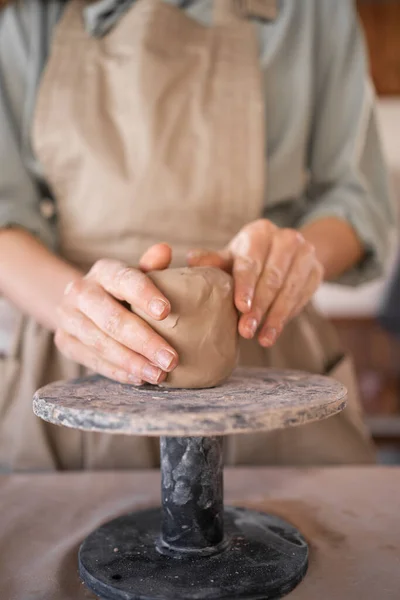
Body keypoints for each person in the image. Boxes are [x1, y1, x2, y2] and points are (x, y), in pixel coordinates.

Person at [0, 0, 394, 471]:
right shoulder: (29, 17)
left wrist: (299, 255)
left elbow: (358, 199)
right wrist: (71, 301)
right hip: (79, 350)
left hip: (262, 339)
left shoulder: (313, 12)